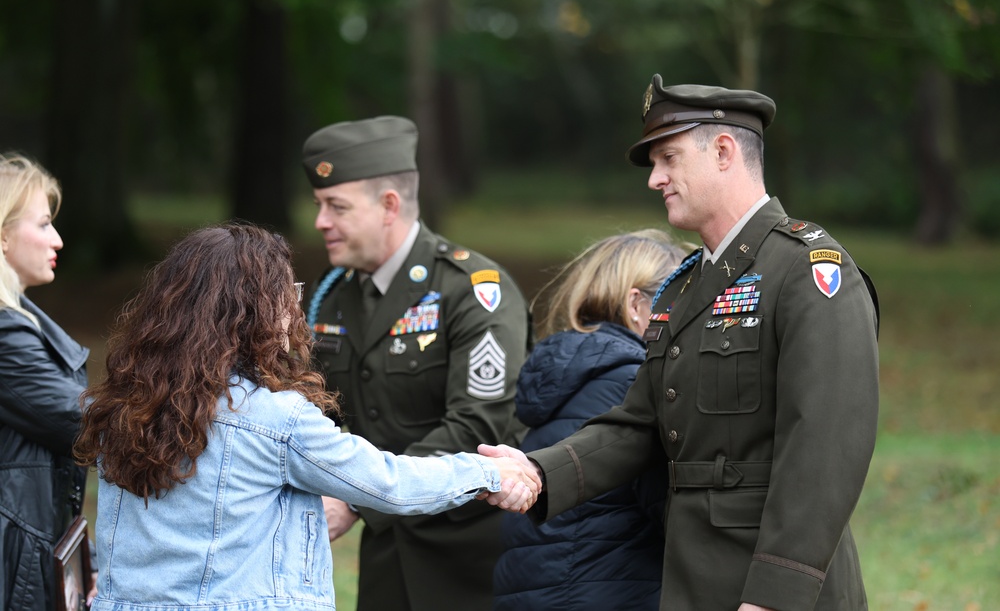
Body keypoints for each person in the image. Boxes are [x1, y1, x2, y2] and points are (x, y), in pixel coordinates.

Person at [481, 77, 880, 611]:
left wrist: (776, 595)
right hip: (692, 580)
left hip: (775, 587)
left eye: (667, 157)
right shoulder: (687, 286)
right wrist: (538, 471)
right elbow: (638, 426)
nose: (655, 178)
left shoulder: (806, 271)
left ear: (722, 151)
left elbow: (826, 449)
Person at [73, 223, 537, 611]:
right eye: (286, 293)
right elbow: (389, 483)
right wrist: (487, 471)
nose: (294, 308)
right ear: (251, 310)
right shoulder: (274, 419)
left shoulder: (118, 406)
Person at [300, 116, 532, 611]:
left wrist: (357, 499)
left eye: (336, 206)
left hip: (469, 555)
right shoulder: (333, 296)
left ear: (389, 206)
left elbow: (480, 423)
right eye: (320, 205)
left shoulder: (470, 289)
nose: (320, 221)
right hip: (388, 555)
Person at [493, 229, 690, 611]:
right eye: (677, 303)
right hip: (609, 593)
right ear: (637, 304)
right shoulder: (633, 381)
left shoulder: (567, 373)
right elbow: (673, 511)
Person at [0, 154, 89, 611]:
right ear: (2, 235)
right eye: (44, 224)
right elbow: (83, 420)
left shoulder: (18, 322)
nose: (57, 238)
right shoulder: (3, 333)